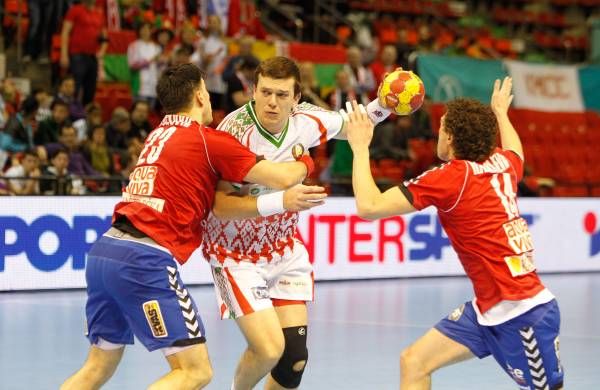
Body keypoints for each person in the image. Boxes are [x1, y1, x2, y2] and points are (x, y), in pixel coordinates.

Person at [60, 63, 323, 390]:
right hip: (144, 260)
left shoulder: (157, 135)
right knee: (194, 372)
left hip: (104, 255)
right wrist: (305, 157)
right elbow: (284, 178)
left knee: (97, 367)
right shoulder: (207, 140)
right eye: (208, 93)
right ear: (200, 95)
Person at [343, 77, 563, 390]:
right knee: (414, 362)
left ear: (452, 137)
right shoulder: (503, 163)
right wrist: (501, 113)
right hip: (486, 309)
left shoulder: (452, 178)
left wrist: (360, 148)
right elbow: (516, 150)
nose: (438, 133)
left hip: (523, 314)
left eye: (442, 127)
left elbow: (369, 206)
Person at [202, 56, 392, 390]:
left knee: (294, 360)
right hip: (235, 255)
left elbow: (355, 125)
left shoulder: (307, 120)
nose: (271, 102)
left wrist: (387, 104)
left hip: (284, 250)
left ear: (296, 98)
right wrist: (281, 200)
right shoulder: (233, 133)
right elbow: (219, 205)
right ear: (254, 91)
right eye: (264, 92)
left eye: (281, 95)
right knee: (267, 349)